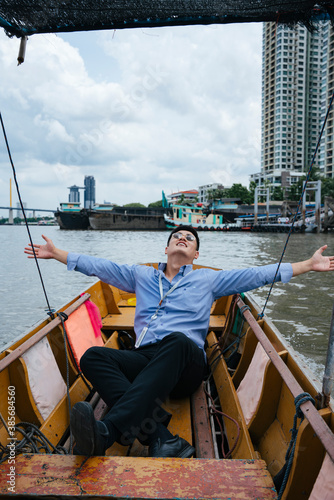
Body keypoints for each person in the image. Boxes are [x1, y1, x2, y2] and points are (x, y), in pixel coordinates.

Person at [25, 226, 334, 458]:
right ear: (167, 247)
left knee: (178, 341)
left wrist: (306, 265)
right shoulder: (141, 276)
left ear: (196, 254)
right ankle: (161, 437)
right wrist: (57, 254)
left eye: (189, 238)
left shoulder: (207, 280)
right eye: (177, 236)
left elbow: (255, 275)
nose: (183, 238)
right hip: (148, 360)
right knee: (94, 356)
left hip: (186, 365)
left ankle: (109, 432)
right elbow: (101, 266)